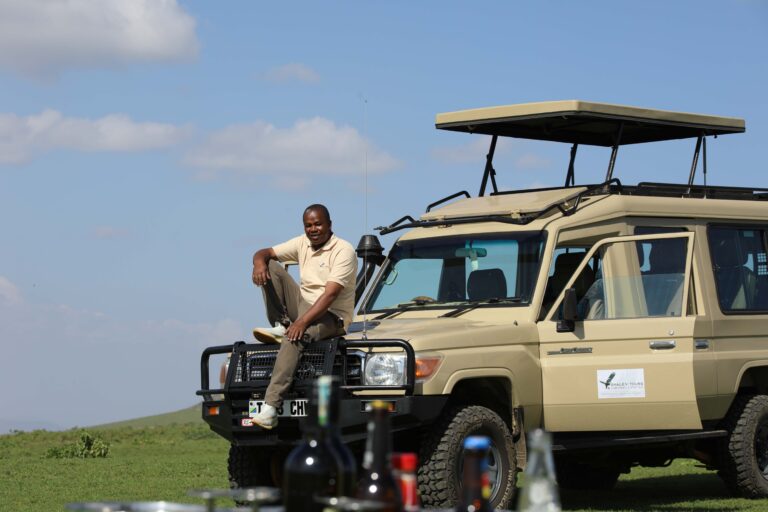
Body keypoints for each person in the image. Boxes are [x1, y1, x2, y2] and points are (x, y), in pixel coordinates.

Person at [250, 204, 357, 429]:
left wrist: (301, 322)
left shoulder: (343, 250)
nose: (313, 229)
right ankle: (281, 323)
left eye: (318, 224)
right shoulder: (302, 243)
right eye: (308, 225)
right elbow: (265, 252)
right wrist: (258, 263)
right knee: (270, 264)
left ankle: (270, 407)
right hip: (304, 307)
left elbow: (330, 295)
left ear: (329, 225)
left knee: (294, 337)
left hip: (332, 317)